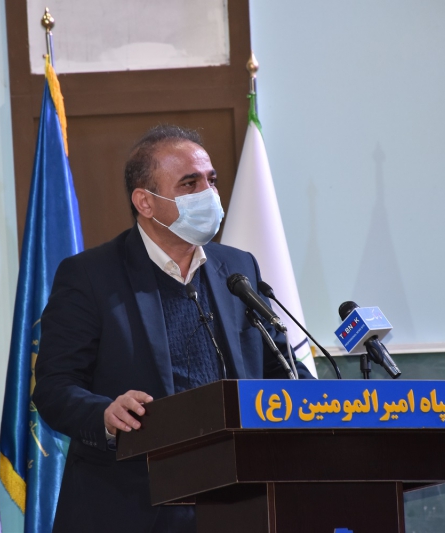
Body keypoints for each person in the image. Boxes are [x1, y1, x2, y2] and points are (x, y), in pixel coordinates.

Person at [33, 125, 313, 532]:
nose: (209, 193)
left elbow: (280, 366)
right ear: (145, 202)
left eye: (211, 180)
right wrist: (105, 414)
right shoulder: (90, 276)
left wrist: (322, 402)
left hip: (238, 500)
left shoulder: (238, 267)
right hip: (132, 505)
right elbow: (55, 386)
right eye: (189, 183)